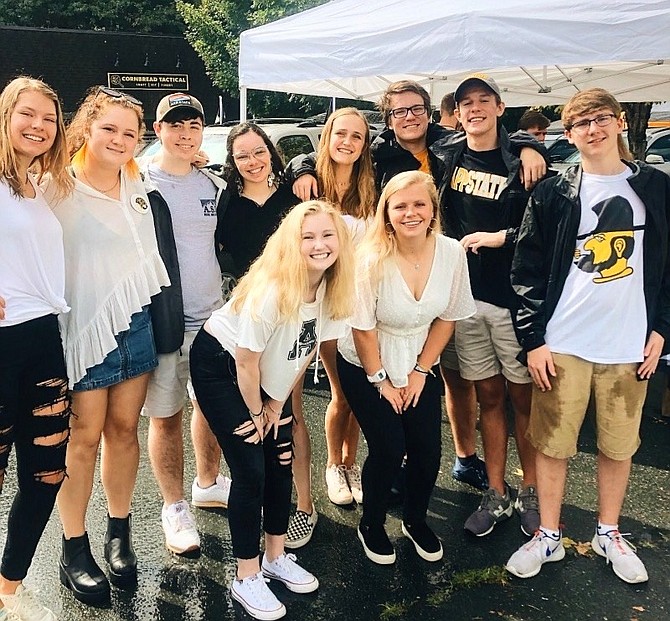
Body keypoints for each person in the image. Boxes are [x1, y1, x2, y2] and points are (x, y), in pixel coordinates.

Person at [290, 79, 546, 494]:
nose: (409, 117)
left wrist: (532, 145)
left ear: (429, 111)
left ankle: (463, 457)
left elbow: (494, 131)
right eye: (398, 111)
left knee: (447, 377)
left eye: (416, 109)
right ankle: (361, 465)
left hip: (436, 278)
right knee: (360, 387)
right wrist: (300, 167)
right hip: (371, 291)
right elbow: (328, 147)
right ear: (387, 120)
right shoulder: (378, 155)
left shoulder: (447, 143)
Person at [506, 88, 670, 584]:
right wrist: (533, 340)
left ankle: (608, 532)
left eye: (600, 119)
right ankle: (549, 536)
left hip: (629, 346)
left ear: (620, 122)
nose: (592, 130)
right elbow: (526, 269)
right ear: (569, 134)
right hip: (564, 343)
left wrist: (662, 328)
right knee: (553, 445)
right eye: (580, 124)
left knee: (619, 447)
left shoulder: (657, 188)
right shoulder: (554, 192)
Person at [189, 200, 354, 621]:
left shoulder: (334, 288)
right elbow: (245, 361)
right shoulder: (275, 290)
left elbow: (305, 348)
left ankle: (274, 557)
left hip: (263, 373)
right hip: (222, 364)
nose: (319, 245)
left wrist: (277, 404)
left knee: (282, 460)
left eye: (327, 235)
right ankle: (245, 577)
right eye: (308, 236)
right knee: (251, 467)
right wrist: (257, 413)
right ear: (291, 243)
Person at [53, 86, 170, 604]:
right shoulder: (56, 186)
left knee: (124, 431)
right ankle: (73, 548)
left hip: (136, 322)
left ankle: (117, 532)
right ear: (87, 129)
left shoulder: (139, 184)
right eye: (109, 129)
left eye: (130, 131)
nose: (120, 139)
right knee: (82, 437)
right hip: (82, 327)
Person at [337, 170, 476, 565]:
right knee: (388, 447)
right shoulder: (370, 257)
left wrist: (419, 372)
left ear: (433, 209)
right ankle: (372, 523)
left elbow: (448, 317)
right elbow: (362, 329)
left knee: (427, 449)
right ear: (386, 212)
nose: (410, 213)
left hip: (419, 359)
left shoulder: (451, 252)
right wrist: (382, 381)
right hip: (366, 362)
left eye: (419, 204)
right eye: (400, 206)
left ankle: (415, 520)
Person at [435, 74, 546, 539]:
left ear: (501, 108)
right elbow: (387, 137)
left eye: (484, 101)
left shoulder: (524, 161)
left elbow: (546, 228)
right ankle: (496, 492)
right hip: (466, 299)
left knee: (524, 400)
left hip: (512, 301)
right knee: (489, 398)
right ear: (457, 113)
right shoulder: (447, 155)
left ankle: (532, 490)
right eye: (466, 103)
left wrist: (501, 237)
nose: (474, 109)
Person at [143, 92, 231, 557]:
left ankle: (208, 483)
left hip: (212, 316)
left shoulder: (212, 185)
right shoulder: (136, 181)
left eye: (192, 125)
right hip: (163, 320)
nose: (184, 133)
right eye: (174, 125)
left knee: (213, 406)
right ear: (158, 129)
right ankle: (174, 507)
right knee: (166, 413)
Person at [285, 107, 376, 550]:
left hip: (354, 304)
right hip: (313, 304)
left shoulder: (368, 190)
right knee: (320, 393)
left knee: (355, 391)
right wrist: (299, 166)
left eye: (357, 136)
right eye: (341, 133)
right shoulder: (307, 182)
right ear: (327, 136)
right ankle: (324, 472)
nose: (348, 142)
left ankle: (347, 463)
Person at [0, 76, 73, 621]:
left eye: (48, 118)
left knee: (47, 475)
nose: (38, 126)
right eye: (27, 114)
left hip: (45, 340)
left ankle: (7, 588)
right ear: (6, 116)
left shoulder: (39, 183)